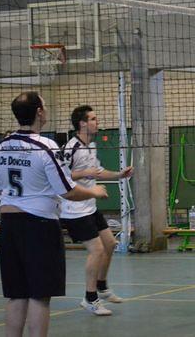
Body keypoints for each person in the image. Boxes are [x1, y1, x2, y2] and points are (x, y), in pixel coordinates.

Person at [0, 92, 107, 337]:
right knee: (40, 296)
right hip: (39, 226)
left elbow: (1, 190)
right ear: (39, 113)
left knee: (16, 295)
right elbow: (67, 191)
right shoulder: (46, 146)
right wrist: (93, 191)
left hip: (9, 226)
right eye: (44, 104)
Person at [60, 105, 133, 316]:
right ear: (82, 123)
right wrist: (85, 173)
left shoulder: (91, 146)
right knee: (97, 250)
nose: (97, 122)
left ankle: (101, 287)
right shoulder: (71, 147)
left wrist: (120, 175)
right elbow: (60, 176)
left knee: (110, 244)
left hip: (89, 208)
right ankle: (90, 299)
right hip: (73, 210)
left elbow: (98, 172)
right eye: (93, 119)